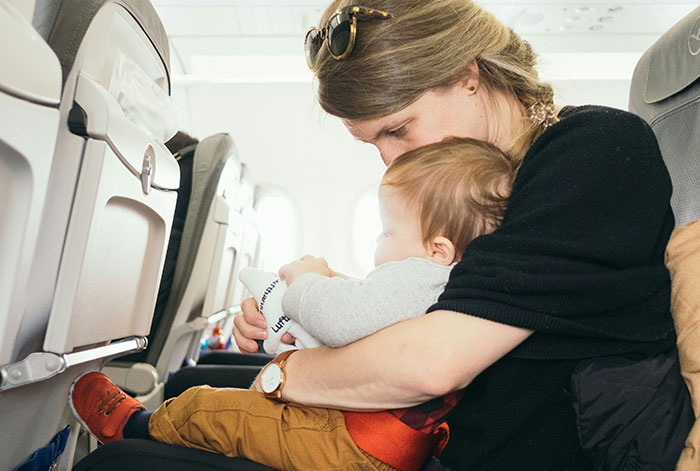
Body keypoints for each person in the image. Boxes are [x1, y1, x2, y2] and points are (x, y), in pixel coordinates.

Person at [234, 1, 694, 470]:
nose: (390, 161)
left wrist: (284, 373)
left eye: (397, 130)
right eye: (373, 142)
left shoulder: (596, 150)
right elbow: (445, 297)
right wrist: (307, 306)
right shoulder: (465, 185)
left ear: (466, 76)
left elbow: (433, 363)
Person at [69, 138, 517, 471]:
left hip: (351, 446)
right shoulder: (451, 282)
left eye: (386, 233)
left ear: (438, 249)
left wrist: (306, 281)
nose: (379, 245)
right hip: (372, 442)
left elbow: (344, 320)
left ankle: (135, 427)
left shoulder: (422, 275)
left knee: (214, 408)